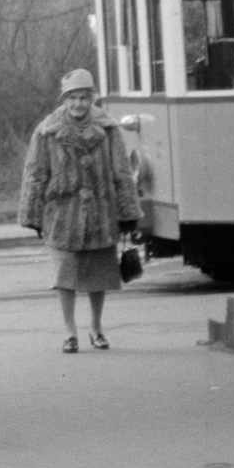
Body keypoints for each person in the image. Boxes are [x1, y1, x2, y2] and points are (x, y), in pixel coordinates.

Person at [18, 67, 141, 353]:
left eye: (84, 97)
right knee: (65, 275)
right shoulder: (47, 130)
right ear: (64, 99)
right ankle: (69, 332)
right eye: (72, 97)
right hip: (62, 214)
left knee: (99, 274)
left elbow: (121, 172)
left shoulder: (109, 129)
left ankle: (96, 328)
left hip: (101, 213)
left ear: (92, 98)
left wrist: (128, 211)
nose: (78, 104)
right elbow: (35, 174)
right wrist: (32, 215)